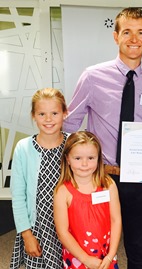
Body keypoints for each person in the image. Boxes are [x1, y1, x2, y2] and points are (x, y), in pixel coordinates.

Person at [63, 7, 142, 269]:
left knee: (137, 246)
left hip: (140, 180)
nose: (134, 39)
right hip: (100, 178)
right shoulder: (92, 77)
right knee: (96, 245)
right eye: (127, 32)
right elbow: (70, 125)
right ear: (115, 36)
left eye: (141, 32)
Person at [10, 88, 69, 269]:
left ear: (65, 114)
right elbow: (18, 196)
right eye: (42, 114)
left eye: (54, 113)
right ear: (34, 116)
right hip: (38, 228)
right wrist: (27, 235)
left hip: (70, 228)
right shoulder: (23, 148)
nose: (48, 119)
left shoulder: (73, 144)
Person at [53, 131, 121, 269]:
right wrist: (85, 259)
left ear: (98, 158)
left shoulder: (109, 185)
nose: (84, 164)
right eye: (77, 158)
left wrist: (111, 254)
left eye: (91, 158)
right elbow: (62, 232)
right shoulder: (62, 192)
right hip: (77, 258)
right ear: (68, 159)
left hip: (106, 258)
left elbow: (116, 220)